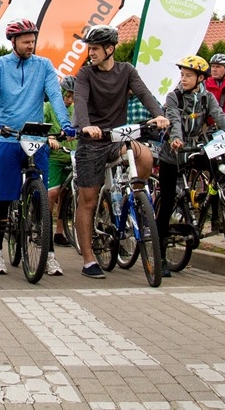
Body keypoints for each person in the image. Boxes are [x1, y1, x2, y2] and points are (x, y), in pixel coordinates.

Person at [71, 25, 169, 279]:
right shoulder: (85, 75)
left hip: (118, 137)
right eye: (89, 48)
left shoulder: (126, 71)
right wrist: (85, 126)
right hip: (92, 141)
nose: (90, 53)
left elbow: (145, 94)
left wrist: (158, 115)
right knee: (88, 199)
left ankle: (136, 200)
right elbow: (80, 101)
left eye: (94, 48)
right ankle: (89, 258)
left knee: (145, 154)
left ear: (109, 49)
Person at [0, 19, 75, 277]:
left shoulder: (43, 65)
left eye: (33, 40)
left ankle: (48, 255)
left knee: (41, 198)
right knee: (2, 198)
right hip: (6, 136)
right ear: (13, 41)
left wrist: (66, 124)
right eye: (25, 41)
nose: (30, 45)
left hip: (34, 137)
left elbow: (55, 95)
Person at [158, 56, 225, 277]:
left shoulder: (207, 98)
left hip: (195, 149)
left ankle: (215, 202)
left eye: (188, 75)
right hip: (173, 153)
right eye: (182, 75)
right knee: (166, 201)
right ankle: (160, 255)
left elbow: (220, 117)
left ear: (200, 78)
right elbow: (173, 119)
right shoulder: (174, 97)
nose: (183, 79)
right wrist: (176, 139)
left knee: (219, 165)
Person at [45, 75, 77, 249]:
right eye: (67, 96)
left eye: (73, 96)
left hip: (71, 157)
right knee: (52, 193)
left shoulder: (75, 109)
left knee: (67, 195)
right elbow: (41, 125)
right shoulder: (48, 107)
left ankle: (60, 231)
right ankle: (44, 228)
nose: (70, 100)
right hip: (55, 157)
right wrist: (49, 137)